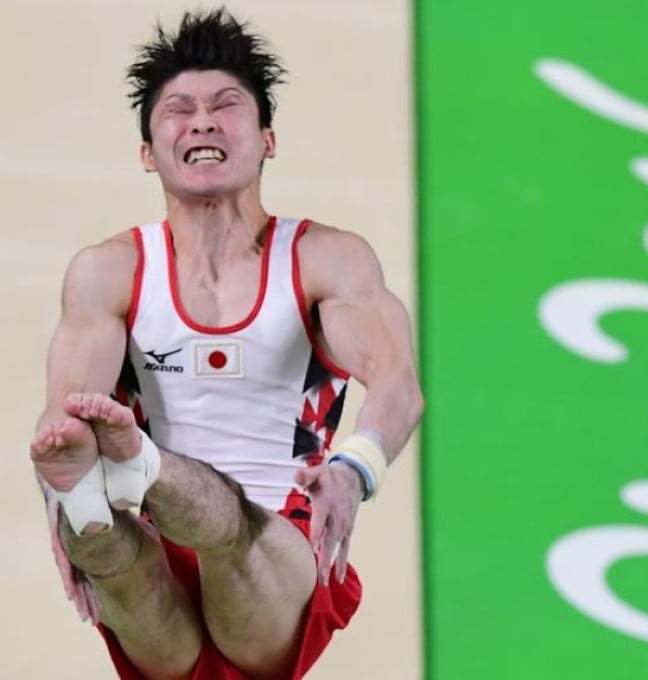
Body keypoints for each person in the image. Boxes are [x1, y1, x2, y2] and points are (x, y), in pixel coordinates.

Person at [29, 9, 423, 680]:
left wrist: (354, 473)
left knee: (228, 530)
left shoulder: (327, 261)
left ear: (268, 139)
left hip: (279, 544)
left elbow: (396, 384)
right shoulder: (109, 272)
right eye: (178, 111)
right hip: (168, 557)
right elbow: (65, 424)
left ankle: (128, 482)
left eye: (226, 106)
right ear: (148, 154)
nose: (203, 121)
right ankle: (101, 512)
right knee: (123, 550)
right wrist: (58, 497)